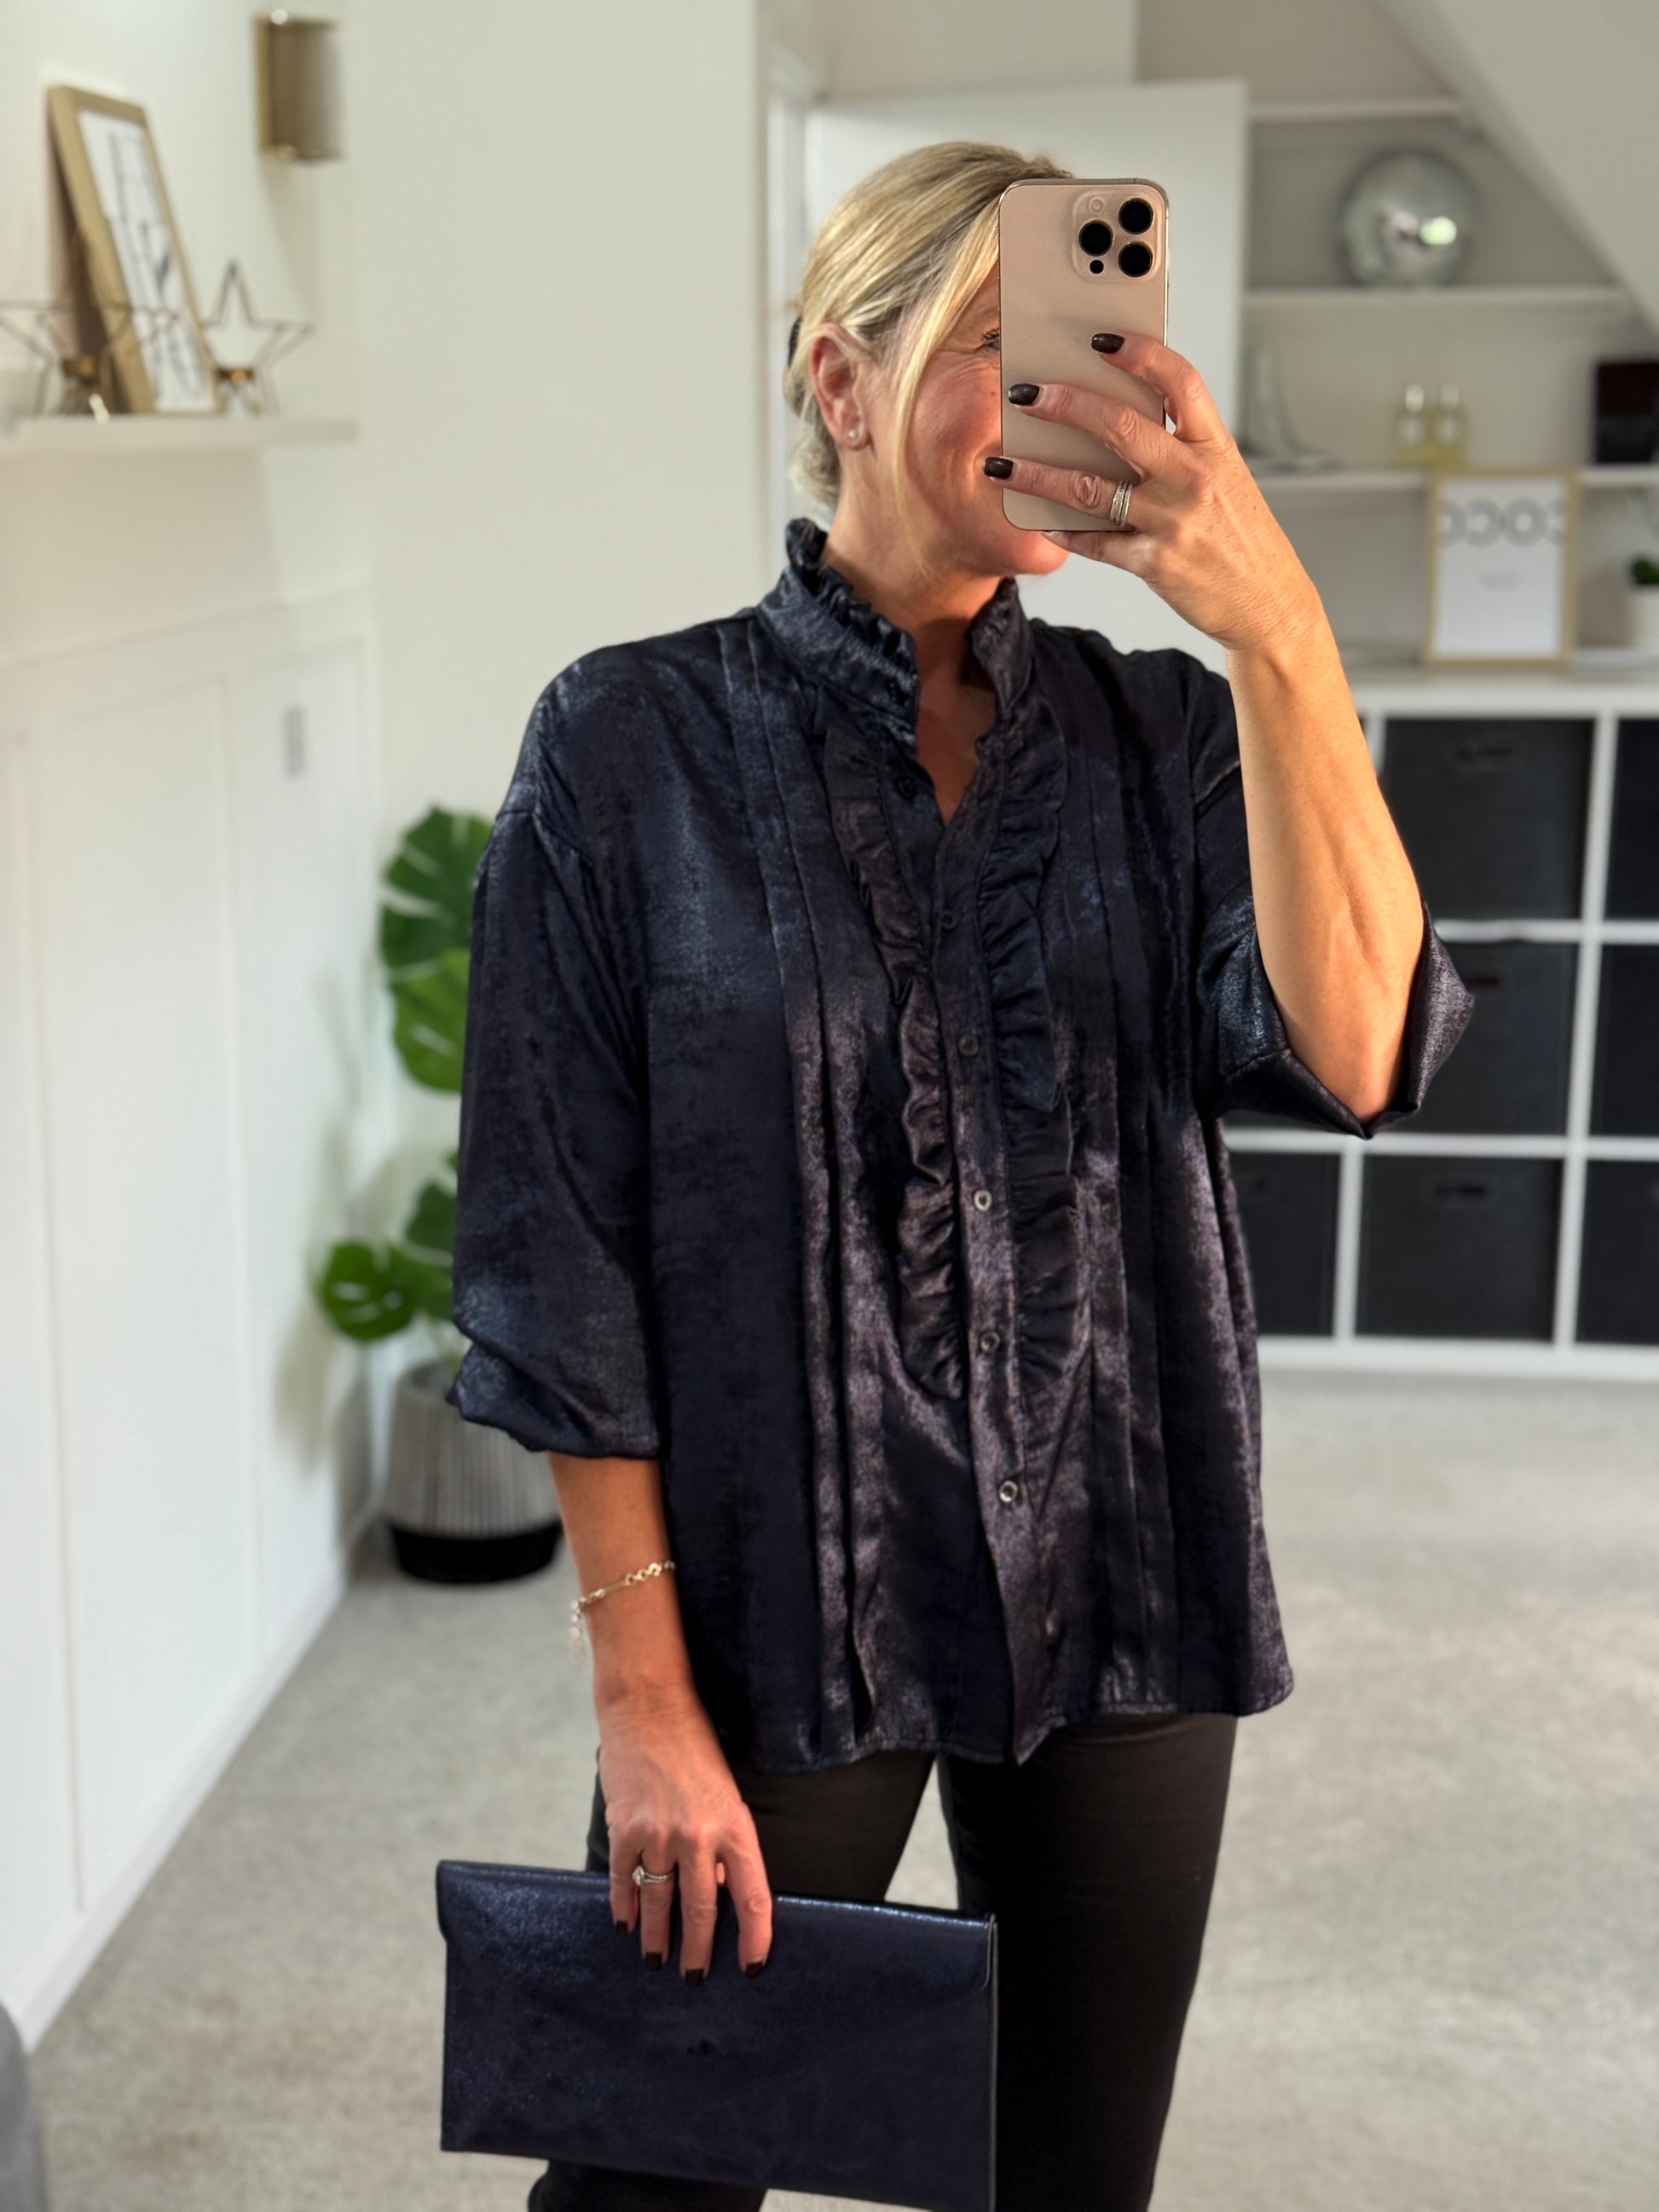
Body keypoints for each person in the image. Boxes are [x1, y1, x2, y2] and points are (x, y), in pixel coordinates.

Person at [445, 141, 1474, 2212]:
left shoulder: (1168, 734)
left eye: (1085, 351)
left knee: (1071, 2180)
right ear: (839, 377)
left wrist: (1279, 631)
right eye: (995, 348)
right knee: (646, 2179)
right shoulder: (625, 746)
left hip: (1131, 1571)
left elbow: (1363, 1048)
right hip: (783, 1593)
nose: (1051, 403)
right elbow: (560, 1244)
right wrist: (640, 1695)